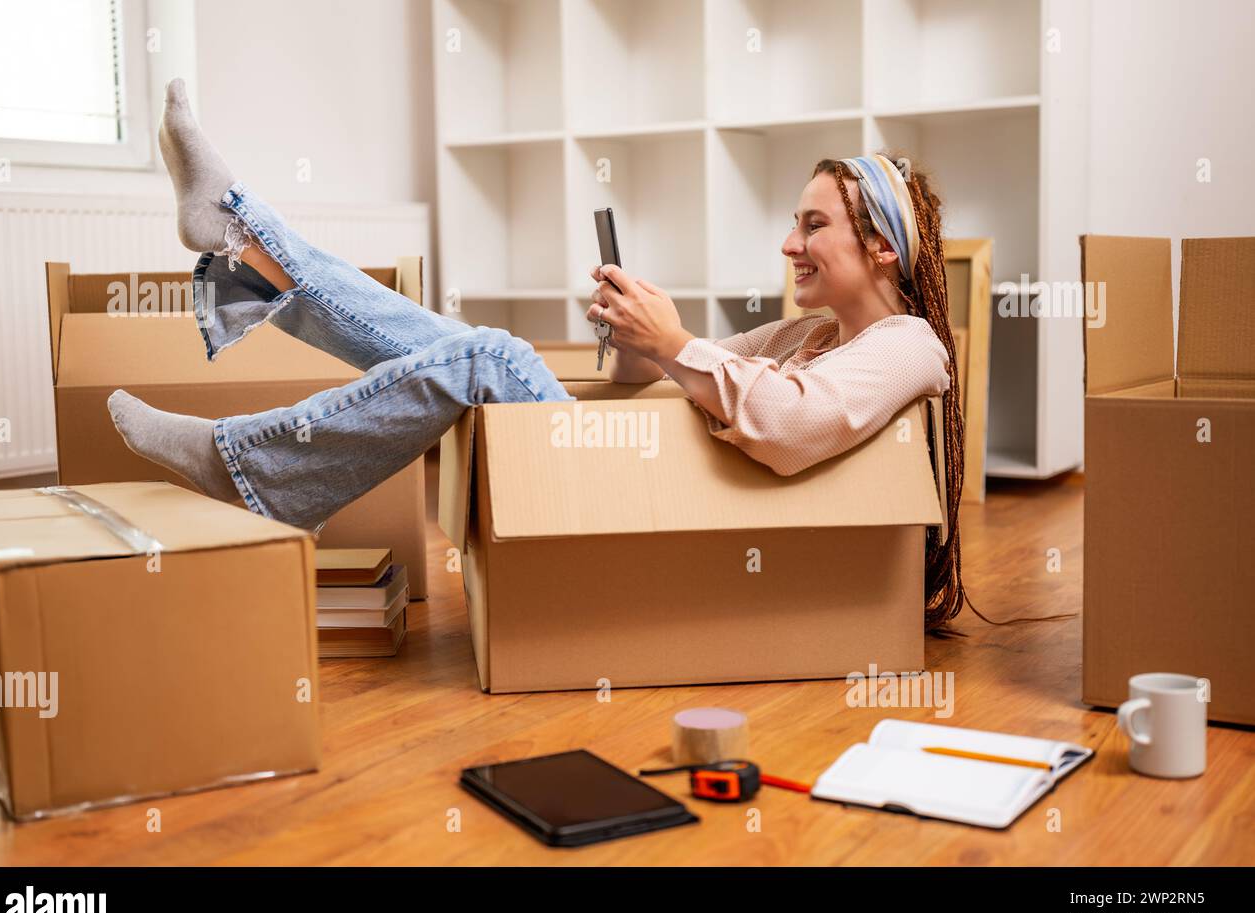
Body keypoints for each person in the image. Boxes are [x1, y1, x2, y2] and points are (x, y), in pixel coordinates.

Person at [110, 79, 963, 630]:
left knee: (490, 354)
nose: (789, 243)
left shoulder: (911, 345)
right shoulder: (807, 336)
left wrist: (675, 342)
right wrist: (636, 338)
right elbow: (649, 388)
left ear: (883, 247)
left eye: (812, 224)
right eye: (794, 222)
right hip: (632, 493)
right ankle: (241, 240)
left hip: (659, 531)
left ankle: (248, 426)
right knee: (471, 351)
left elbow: (788, 427)